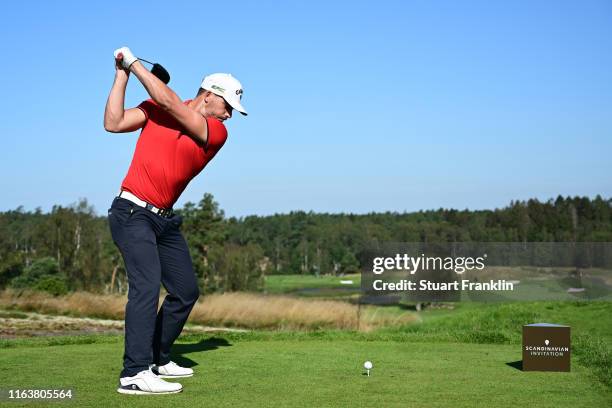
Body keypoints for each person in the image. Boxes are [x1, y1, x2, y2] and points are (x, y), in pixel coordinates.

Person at [104, 46, 247, 395]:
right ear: (210, 96)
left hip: (164, 222)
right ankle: (134, 373)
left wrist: (135, 63)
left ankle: (157, 356)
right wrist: (122, 73)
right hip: (132, 212)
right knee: (146, 287)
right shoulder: (157, 107)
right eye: (228, 106)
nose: (229, 115)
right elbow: (113, 123)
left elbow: (169, 103)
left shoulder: (215, 132)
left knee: (185, 291)